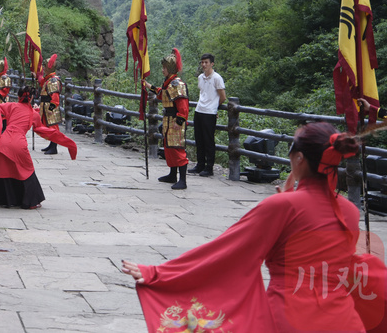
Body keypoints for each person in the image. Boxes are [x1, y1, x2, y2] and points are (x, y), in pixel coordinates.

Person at [121, 123, 370, 333]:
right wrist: (288, 200)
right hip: (344, 320)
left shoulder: (283, 206)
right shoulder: (349, 211)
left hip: (290, 319)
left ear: (299, 158)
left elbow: (227, 251)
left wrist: (159, 273)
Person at [0, 98, 77, 209]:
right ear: (31, 98)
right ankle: (31, 202)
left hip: (3, 141)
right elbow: (42, 129)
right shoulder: (33, 114)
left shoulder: (12, 106)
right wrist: (67, 142)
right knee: (27, 171)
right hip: (19, 144)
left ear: (19, 97)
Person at [143, 49, 189, 190]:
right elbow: (161, 94)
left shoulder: (176, 84)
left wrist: (179, 120)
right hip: (168, 119)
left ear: (169, 68)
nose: (162, 70)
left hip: (175, 120)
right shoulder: (168, 83)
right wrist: (148, 86)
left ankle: (183, 180)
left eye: (164, 68)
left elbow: (183, 105)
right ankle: (172, 174)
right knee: (169, 147)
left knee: (177, 148)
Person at [192, 53, 226, 177]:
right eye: (202, 62)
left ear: (212, 64)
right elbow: (202, 93)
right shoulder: (200, 77)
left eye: (206, 62)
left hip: (210, 112)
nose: (204, 65)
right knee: (199, 139)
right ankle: (200, 164)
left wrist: (215, 107)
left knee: (208, 140)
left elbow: (223, 97)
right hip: (199, 110)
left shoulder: (217, 78)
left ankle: (209, 167)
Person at [38, 54, 63, 155]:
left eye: (45, 66)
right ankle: (51, 145)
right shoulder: (48, 79)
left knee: (53, 127)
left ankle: (54, 147)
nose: (43, 68)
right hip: (46, 105)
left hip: (50, 106)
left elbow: (55, 96)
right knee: (49, 127)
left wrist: (52, 106)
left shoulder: (53, 80)